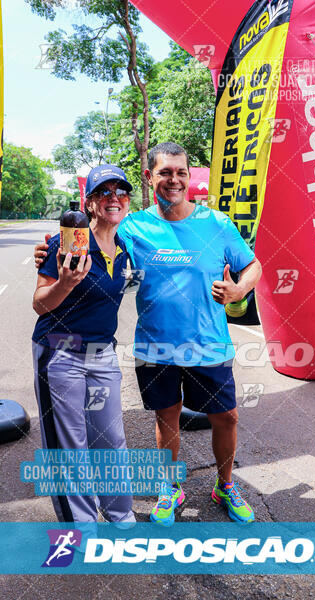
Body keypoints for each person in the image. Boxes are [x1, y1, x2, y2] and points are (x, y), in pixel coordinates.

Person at [35, 142, 262, 526]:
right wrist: (50, 250)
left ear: (189, 177)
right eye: (165, 172)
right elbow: (95, 233)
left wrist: (240, 289)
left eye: (180, 172)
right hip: (155, 346)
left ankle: (225, 485)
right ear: (150, 177)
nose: (174, 180)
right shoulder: (134, 226)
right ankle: (169, 488)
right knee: (166, 418)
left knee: (228, 417)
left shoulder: (217, 224)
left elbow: (253, 264)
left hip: (209, 344)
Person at [32, 164, 136, 528]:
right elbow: (40, 304)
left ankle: (122, 516)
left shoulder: (125, 249)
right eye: (104, 192)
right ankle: (82, 523)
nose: (114, 198)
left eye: (121, 191)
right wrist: (64, 282)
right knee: (71, 444)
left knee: (111, 438)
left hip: (103, 355)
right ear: (89, 203)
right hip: (60, 354)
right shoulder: (63, 244)